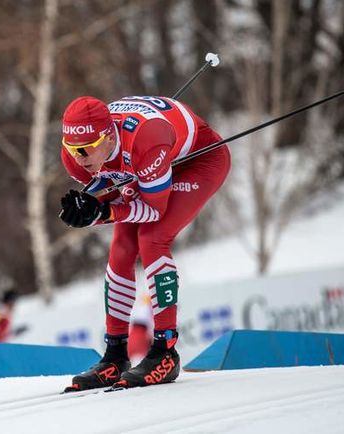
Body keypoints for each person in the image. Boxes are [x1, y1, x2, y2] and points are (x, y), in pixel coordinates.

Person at [58, 95, 230, 391]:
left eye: (86, 148)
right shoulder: (75, 154)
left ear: (109, 136)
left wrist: (101, 211)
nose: (80, 157)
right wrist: (89, 209)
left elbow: (153, 210)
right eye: (73, 149)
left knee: (152, 237)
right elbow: (109, 190)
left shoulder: (144, 139)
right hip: (146, 164)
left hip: (199, 159)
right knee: (122, 246)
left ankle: (165, 352)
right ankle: (114, 356)